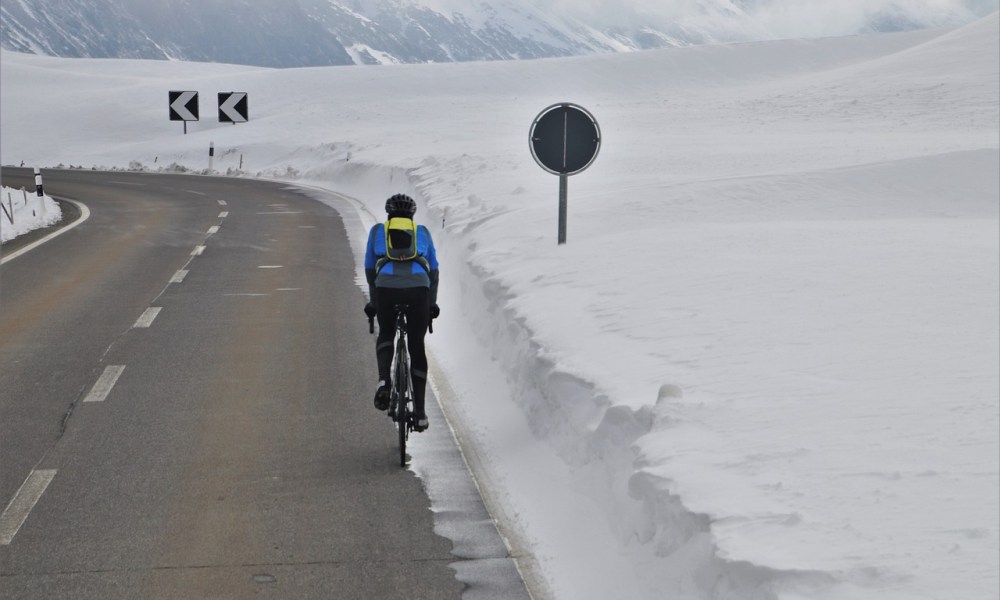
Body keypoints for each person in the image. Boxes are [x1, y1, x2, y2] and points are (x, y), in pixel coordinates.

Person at [363, 193, 440, 432]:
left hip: (387, 288)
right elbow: (434, 272)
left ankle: (384, 379)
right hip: (418, 290)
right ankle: (420, 413)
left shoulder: (378, 231)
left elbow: (369, 269)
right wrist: (431, 304)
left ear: (389, 214)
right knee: (416, 344)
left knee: (386, 332)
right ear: (412, 215)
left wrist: (374, 301)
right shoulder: (423, 232)